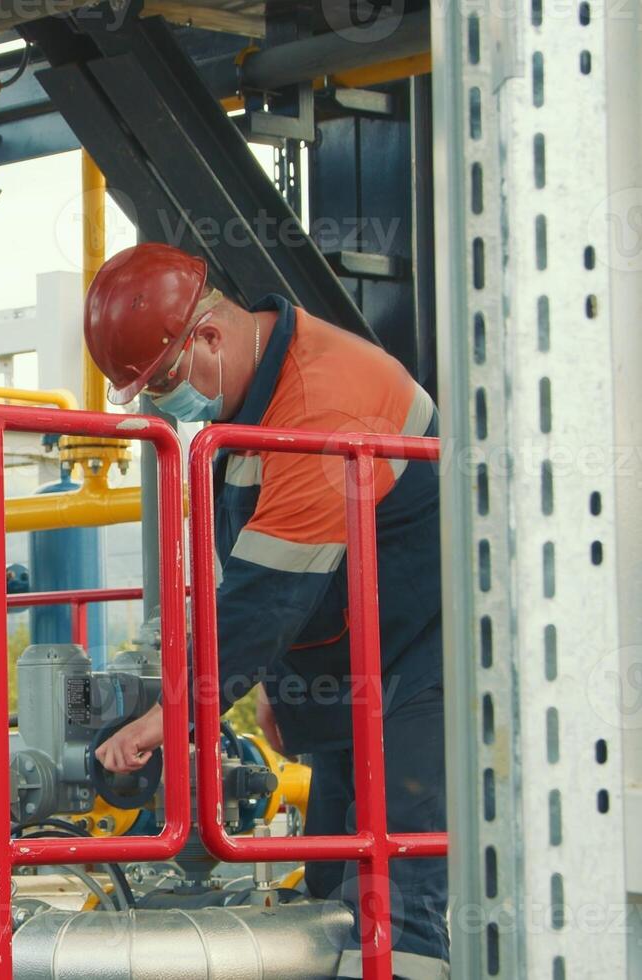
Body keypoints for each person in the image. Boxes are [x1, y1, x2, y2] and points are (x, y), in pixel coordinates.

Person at [85, 243, 447, 978]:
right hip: (358, 664)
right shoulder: (261, 397)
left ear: (210, 337)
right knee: (329, 889)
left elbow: (266, 600)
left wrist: (174, 715)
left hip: (423, 664)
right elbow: (282, 576)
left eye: (165, 383)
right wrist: (284, 694)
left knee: (394, 904)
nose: (162, 405)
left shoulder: (319, 402)